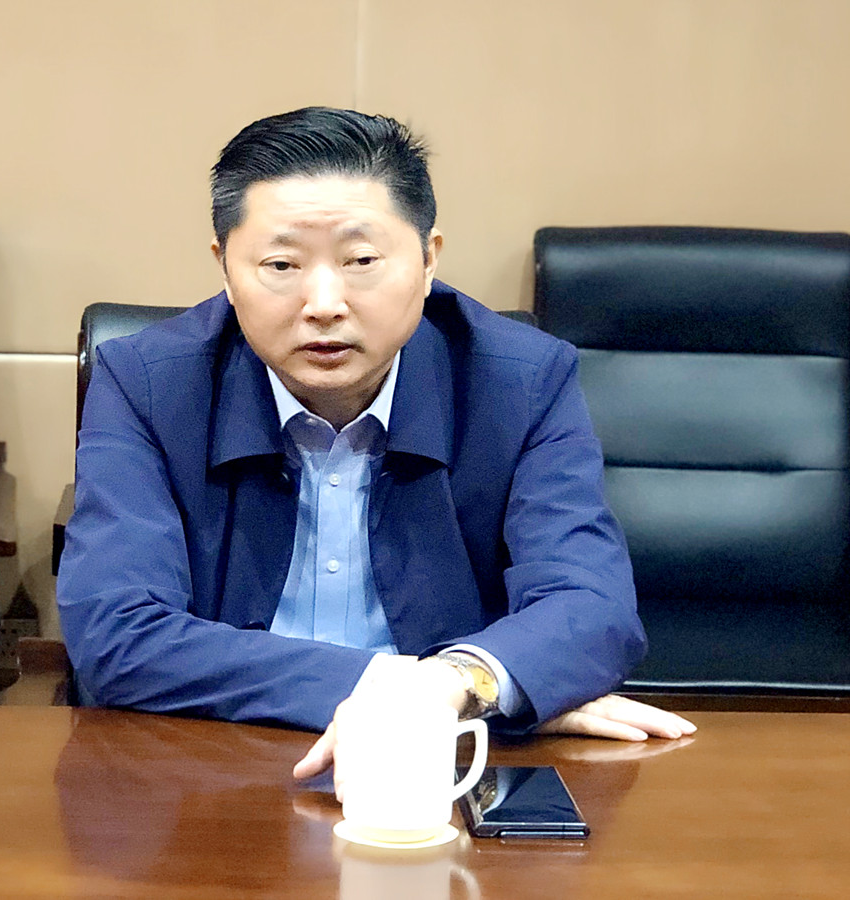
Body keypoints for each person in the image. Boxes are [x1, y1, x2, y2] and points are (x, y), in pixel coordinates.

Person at [57, 107, 695, 786]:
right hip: (215, 766)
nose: (323, 303)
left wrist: (458, 687)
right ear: (225, 269)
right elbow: (117, 633)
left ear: (428, 260)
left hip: (440, 770)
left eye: (361, 261)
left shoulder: (523, 381)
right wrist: (445, 688)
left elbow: (590, 606)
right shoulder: (146, 383)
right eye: (281, 264)